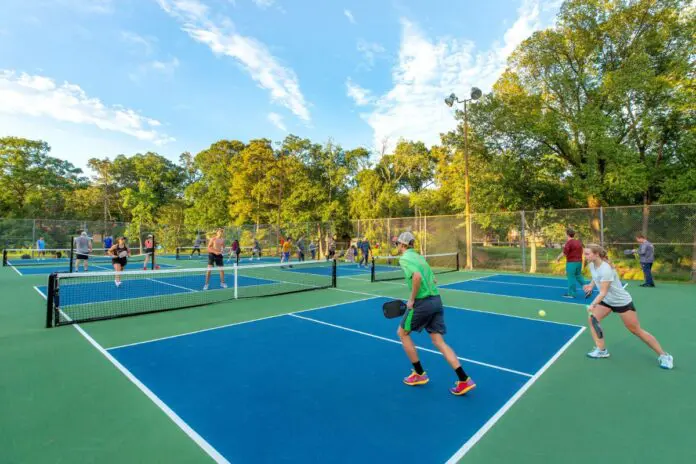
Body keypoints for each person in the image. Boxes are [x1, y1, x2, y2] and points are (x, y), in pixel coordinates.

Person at [395, 231, 476, 395]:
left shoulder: (404, 258)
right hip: (436, 301)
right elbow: (433, 279)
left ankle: (418, 374)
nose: (396, 246)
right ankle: (464, 379)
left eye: (397, 243)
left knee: (402, 333)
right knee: (439, 341)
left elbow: (416, 277)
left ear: (403, 245)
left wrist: (411, 300)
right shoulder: (419, 257)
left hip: (422, 303)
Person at [583, 244, 673, 369]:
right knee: (593, 319)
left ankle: (664, 355)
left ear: (596, 254)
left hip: (621, 302)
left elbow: (603, 292)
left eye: (587, 254)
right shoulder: (592, 264)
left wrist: (593, 304)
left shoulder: (606, 269)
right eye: (585, 253)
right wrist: (591, 285)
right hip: (607, 301)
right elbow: (595, 277)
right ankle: (601, 350)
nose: (585, 256)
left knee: (636, 330)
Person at [555, 228, 585, 298]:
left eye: (565, 234)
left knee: (571, 277)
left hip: (572, 263)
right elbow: (582, 251)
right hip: (579, 262)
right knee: (579, 276)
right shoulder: (578, 242)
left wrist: (558, 258)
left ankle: (571, 294)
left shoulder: (569, 243)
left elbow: (564, 253)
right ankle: (588, 289)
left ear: (567, 234)